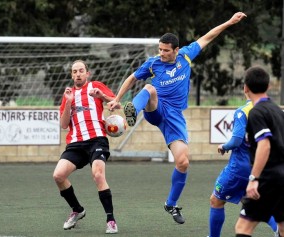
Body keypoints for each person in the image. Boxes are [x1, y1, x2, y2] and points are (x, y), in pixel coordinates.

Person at [108, 12, 247, 224]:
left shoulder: (186, 56)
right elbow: (132, 78)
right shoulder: (153, 63)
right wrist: (117, 98)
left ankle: (171, 204)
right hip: (157, 109)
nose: (161, 53)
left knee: (183, 162)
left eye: (165, 50)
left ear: (176, 50)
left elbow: (208, 37)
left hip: (175, 117)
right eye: (160, 49)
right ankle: (131, 113)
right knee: (148, 88)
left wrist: (229, 22)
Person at [53, 60, 119, 234]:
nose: (78, 74)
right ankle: (77, 210)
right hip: (75, 144)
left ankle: (110, 220)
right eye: (74, 71)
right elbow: (63, 124)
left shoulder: (95, 86)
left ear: (87, 73)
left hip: (97, 140)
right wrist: (68, 103)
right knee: (58, 176)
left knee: (98, 174)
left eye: (81, 71)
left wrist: (101, 96)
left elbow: (116, 102)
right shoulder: (68, 94)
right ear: (71, 75)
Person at [207, 96, 278, 237]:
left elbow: (236, 140)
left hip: (239, 169)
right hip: (260, 168)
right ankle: (278, 231)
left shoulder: (242, 112)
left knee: (216, 200)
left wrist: (224, 146)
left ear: (246, 89)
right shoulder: (272, 111)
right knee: (260, 204)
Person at [234, 66, 284, 237]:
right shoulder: (278, 110)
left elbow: (265, 145)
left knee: (243, 228)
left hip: (268, 178)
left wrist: (254, 178)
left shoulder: (256, 113)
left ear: (245, 88)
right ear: (268, 86)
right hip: (282, 177)